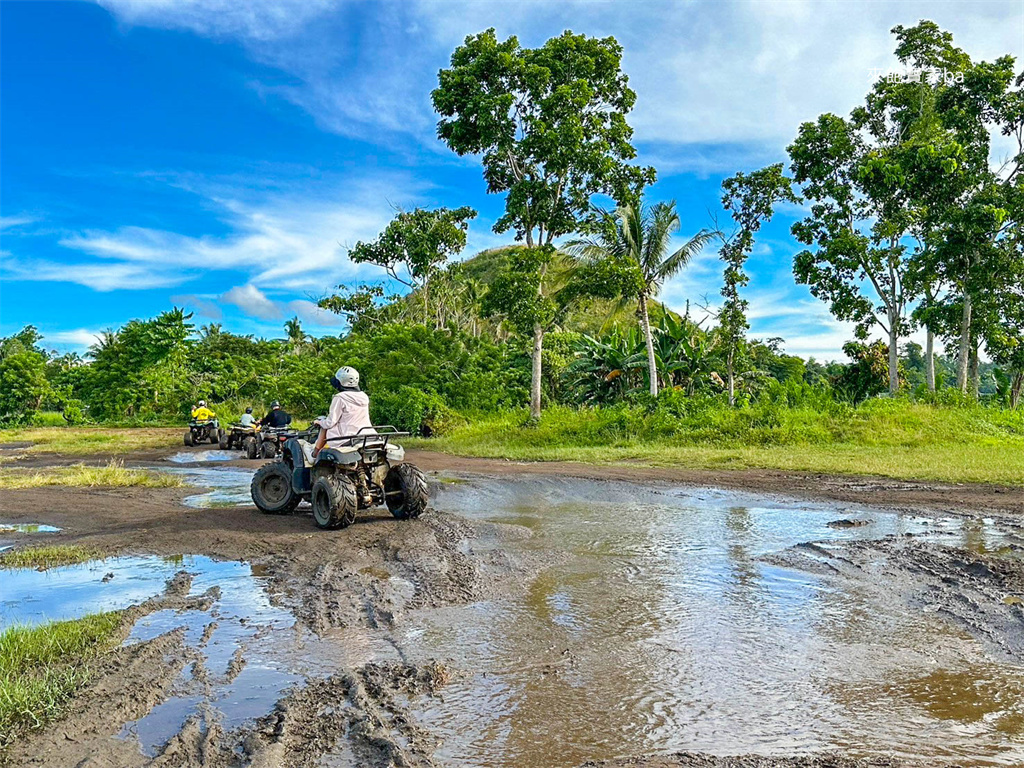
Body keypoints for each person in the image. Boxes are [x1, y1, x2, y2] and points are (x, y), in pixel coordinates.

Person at [312, 366, 373, 457]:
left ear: (340, 382)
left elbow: (330, 422)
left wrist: (319, 422)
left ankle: (315, 454)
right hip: (367, 434)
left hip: (346, 437)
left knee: (324, 425)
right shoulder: (364, 396)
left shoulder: (340, 397)